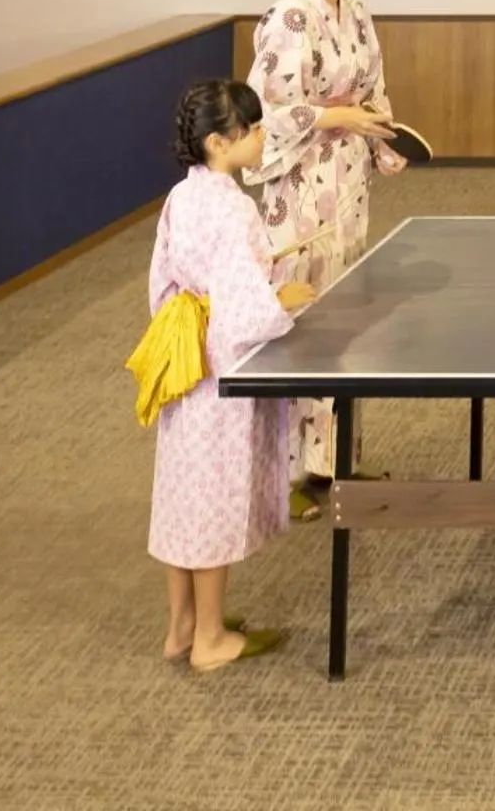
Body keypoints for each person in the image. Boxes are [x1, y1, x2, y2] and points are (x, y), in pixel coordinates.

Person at [246, 0, 406, 520]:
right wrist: (340, 116)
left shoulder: (358, 15)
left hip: (347, 187)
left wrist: (383, 136)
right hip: (300, 191)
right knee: (299, 324)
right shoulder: (290, 18)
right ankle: (283, 475)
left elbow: (375, 94)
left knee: (345, 323)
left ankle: (333, 463)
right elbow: (264, 115)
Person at [148, 78, 315, 671]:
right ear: (221, 143)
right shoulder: (235, 207)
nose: (263, 137)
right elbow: (244, 304)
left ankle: (181, 626)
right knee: (212, 499)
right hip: (219, 368)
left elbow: (163, 283)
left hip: (182, 359)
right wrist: (283, 297)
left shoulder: (180, 198)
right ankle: (212, 639)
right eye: (253, 130)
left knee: (180, 494)